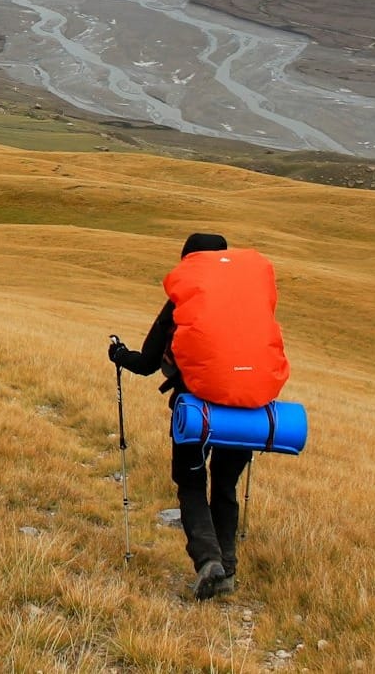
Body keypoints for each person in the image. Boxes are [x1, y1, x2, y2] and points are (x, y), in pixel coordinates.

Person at [108, 232, 289, 601]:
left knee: (191, 485)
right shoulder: (249, 299)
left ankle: (209, 561)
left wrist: (118, 355)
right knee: (225, 486)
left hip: (197, 411)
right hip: (247, 413)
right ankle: (228, 569)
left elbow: (145, 363)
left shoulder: (183, 302)